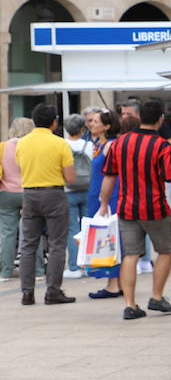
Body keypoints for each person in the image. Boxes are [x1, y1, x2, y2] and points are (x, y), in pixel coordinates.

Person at [97, 99, 171, 321]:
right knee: (164, 251)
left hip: (126, 208)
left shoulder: (119, 143)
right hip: (155, 208)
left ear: (140, 117)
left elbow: (109, 176)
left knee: (130, 255)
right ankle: (157, 296)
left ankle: (130, 304)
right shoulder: (163, 146)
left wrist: (104, 204)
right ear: (160, 119)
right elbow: (170, 176)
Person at [14, 105, 76, 306]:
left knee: (28, 245)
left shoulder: (22, 144)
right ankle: (53, 291)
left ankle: (27, 292)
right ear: (54, 122)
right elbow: (71, 177)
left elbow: (20, 168)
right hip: (54, 194)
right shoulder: (60, 143)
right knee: (57, 243)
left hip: (30, 194)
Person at [83, 110, 122, 300]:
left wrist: (105, 201)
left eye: (96, 121)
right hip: (98, 194)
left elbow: (112, 174)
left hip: (107, 197)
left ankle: (112, 282)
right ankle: (116, 281)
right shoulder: (99, 144)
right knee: (105, 237)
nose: (92, 124)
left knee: (108, 239)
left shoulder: (110, 145)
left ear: (107, 126)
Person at [0, 117, 34, 282]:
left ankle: (5, 271)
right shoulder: (31, 147)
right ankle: (39, 269)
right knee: (33, 230)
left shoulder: (3, 147)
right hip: (29, 191)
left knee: (7, 233)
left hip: (6, 192)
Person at [62, 114, 94, 280]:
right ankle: (89, 264)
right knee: (88, 228)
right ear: (83, 129)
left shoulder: (62, 144)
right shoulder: (89, 145)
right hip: (87, 189)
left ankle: (74, 266)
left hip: (68, 190)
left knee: (72, 230)